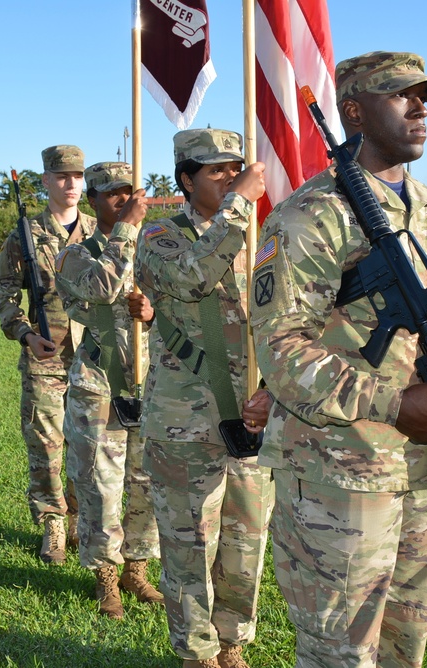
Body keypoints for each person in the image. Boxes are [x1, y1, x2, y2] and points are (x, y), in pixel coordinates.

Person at [251, 51, 427, 668]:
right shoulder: (308, 216)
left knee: (407, 646)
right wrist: (390, 402)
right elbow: (280, 346)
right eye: (400, 94)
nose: (419, 106)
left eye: (423, 94)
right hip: (338, 475)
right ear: (353, 110)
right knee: (339, 654)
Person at [134, 129, 274, 668]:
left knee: (245, 543)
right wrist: (240, 203)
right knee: (190, 543)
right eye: (217, 170)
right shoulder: (161, 237)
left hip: (251, 415)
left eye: (236, 168)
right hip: (184, 419)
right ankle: (196, 654)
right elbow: (192, 279)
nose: (232, 177)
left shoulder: (259, 237)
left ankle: (232, 643)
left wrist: (269, 391)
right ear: (187, 179)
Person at [54, 161, 163, 620]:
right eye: (112, 194)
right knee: (101, 487)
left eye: (128, 192)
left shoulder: (154, 250)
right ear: (93, 200)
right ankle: (105, 578)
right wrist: (128, 230)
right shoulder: (75, 254)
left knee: (146, 481)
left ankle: (136, 569)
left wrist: (154, 311)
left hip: (154, 382)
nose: (123, 200)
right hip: (100, 385)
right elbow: (102, 287)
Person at [0, 145, 96, 565]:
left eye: (77, 176)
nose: (71, 184)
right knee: (46, 443)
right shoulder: (25, 233)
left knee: (88, 443)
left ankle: (79, 521)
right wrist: (24, 333)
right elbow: (4, 293)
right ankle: (53, 523)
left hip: (94, 353)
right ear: (46, 181)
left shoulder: (98, 229)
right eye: (62, 176)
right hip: (45, 354)